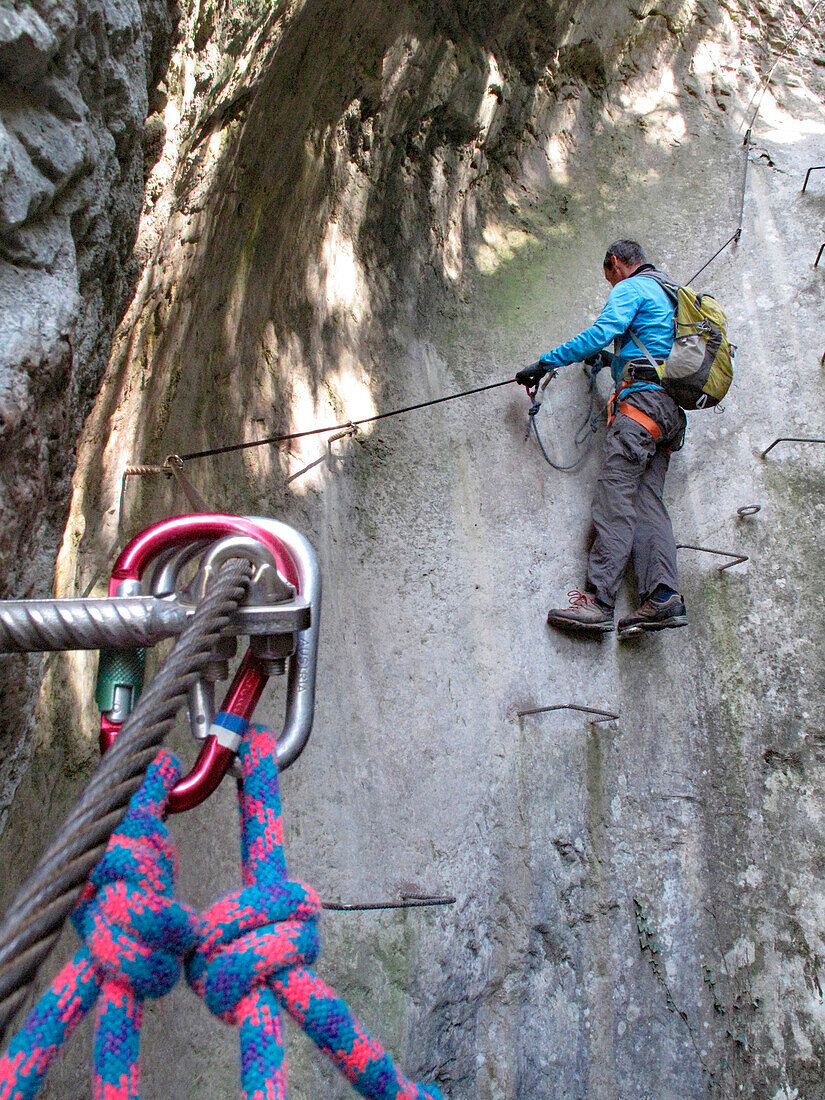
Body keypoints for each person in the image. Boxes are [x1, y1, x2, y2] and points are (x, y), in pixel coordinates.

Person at [516, 239, 688, 639]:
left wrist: (545, 363)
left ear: (615, 263)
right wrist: (613, 362)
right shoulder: (672, 295)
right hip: (669, 416)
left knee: (614, 501)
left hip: (638, 411)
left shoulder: (631, 288)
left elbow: (600, 332)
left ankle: (600, 602)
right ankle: (663, 596)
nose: (612, 287)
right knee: (647, 502)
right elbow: (655, 353)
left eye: (609, 278)